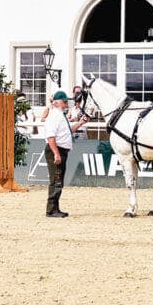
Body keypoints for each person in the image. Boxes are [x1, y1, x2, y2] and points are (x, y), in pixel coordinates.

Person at [42, 90, 89, 218]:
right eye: (64, 101)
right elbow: (51, 137)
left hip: (60, 150)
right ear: (57, 102)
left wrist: (80, 123)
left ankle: (55, 208)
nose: (66, 103)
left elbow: (69, 130)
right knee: (56, 180)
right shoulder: (54, 116)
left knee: (59, 180)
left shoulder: (60, 115)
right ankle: (51, 210)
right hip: (56, 150)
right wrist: (56, 154)